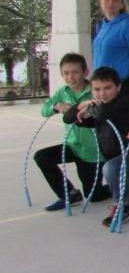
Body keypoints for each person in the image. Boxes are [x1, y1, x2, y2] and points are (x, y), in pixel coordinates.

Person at [62, 66, 129, 228]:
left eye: (107, 88)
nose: (102, 93)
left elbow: (103, 113)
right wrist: (80, 106)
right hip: (117, 155)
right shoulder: (98, 106)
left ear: (118, 87)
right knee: (117, 167)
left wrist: (88, 108)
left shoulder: (124, 102)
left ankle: (122, 205)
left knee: (111, 168)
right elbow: (68, 119)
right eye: (97, 89)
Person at [34, 53, 106, 210]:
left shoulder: (95, 91)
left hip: (93, 151)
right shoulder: (63, 92)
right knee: (42, 156)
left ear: (85, 72)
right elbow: (44, 109)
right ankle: (69, 194)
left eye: (75, 72)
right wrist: (56, 106)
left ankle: (122, 184)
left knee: (94, 195)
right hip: (72, 146)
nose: (70, 77)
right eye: (66, 73)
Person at [92, 0, 129, 97]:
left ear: (122, 5)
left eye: (115, 0)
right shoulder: (101, 26)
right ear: (101, 2)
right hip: (102, 84)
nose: (110, 3)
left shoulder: (127, 25)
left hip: (121, 84)